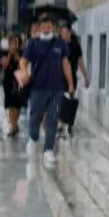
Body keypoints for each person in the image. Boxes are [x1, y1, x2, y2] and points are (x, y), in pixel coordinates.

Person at [19, 13, 75, 167]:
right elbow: (23, 61)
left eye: (49, 25)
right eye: (43, 25)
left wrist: (70, 84)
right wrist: (24, 72)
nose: (46, 28)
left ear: (53, 27)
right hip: (38, 88)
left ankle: (48, 150)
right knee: (35, 116)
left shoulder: (60, 44)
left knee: (53, 118)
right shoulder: (33, 44)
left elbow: (66, 64)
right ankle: (33, 138)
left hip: (57, 89)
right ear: (40, 26)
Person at [59, 24, 89, 136]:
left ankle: (70, 124)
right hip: (59, 76)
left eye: (66, 33)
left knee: (70, 100)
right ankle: (61, 124)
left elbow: (80, 62)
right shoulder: (59, 45)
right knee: (60, 100)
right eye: (62, 33)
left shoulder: (75, 46)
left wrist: (86, 76)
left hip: (72, 76)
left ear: (70, 32)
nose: (64, 35)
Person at [1, 34, 26, 138]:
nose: (13, 45)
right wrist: (10, 55)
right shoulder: (5, 53)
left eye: (15, 43)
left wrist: (16, 55)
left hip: (19, 81)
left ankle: (15, 125)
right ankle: (13, 127)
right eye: (11, 43)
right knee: (10, 105)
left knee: (17, 105)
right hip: (8, 81)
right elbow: (4, 66)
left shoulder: (22, 53)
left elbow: (23, 65)